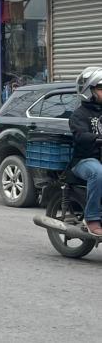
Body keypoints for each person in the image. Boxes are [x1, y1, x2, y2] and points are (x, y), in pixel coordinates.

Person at [70, 66, 102, 237]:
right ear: (89, 91)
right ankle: (92, 219)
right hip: (85, 160)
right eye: (101, 88)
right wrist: (97, 138)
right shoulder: (79, 115)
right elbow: (80, 135)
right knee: (98, 172)